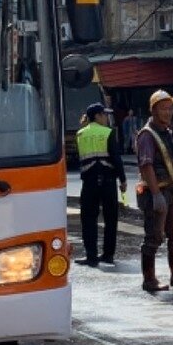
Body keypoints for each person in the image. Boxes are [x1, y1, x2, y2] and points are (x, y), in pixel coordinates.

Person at [136, 89, 173, 292]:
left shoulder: (165, 132)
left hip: (170, 192)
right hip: (155, 193)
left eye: (170, 108)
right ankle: (149, 280)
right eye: (163, 109)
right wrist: (156, 194)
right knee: (154, 237)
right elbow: (146, 165)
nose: (168, 112)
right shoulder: (147, 135)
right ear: (154, 111)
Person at [76, 102, 126, 267]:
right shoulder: (108, 132)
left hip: (88, 183)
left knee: (88, 220)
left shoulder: (80, 134)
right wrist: (123, 179)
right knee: (110, 219)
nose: (106, 117)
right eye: (104, 114)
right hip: (108, 182)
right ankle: (108, 255)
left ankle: (91, 256)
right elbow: (116, 158)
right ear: (97, 116)